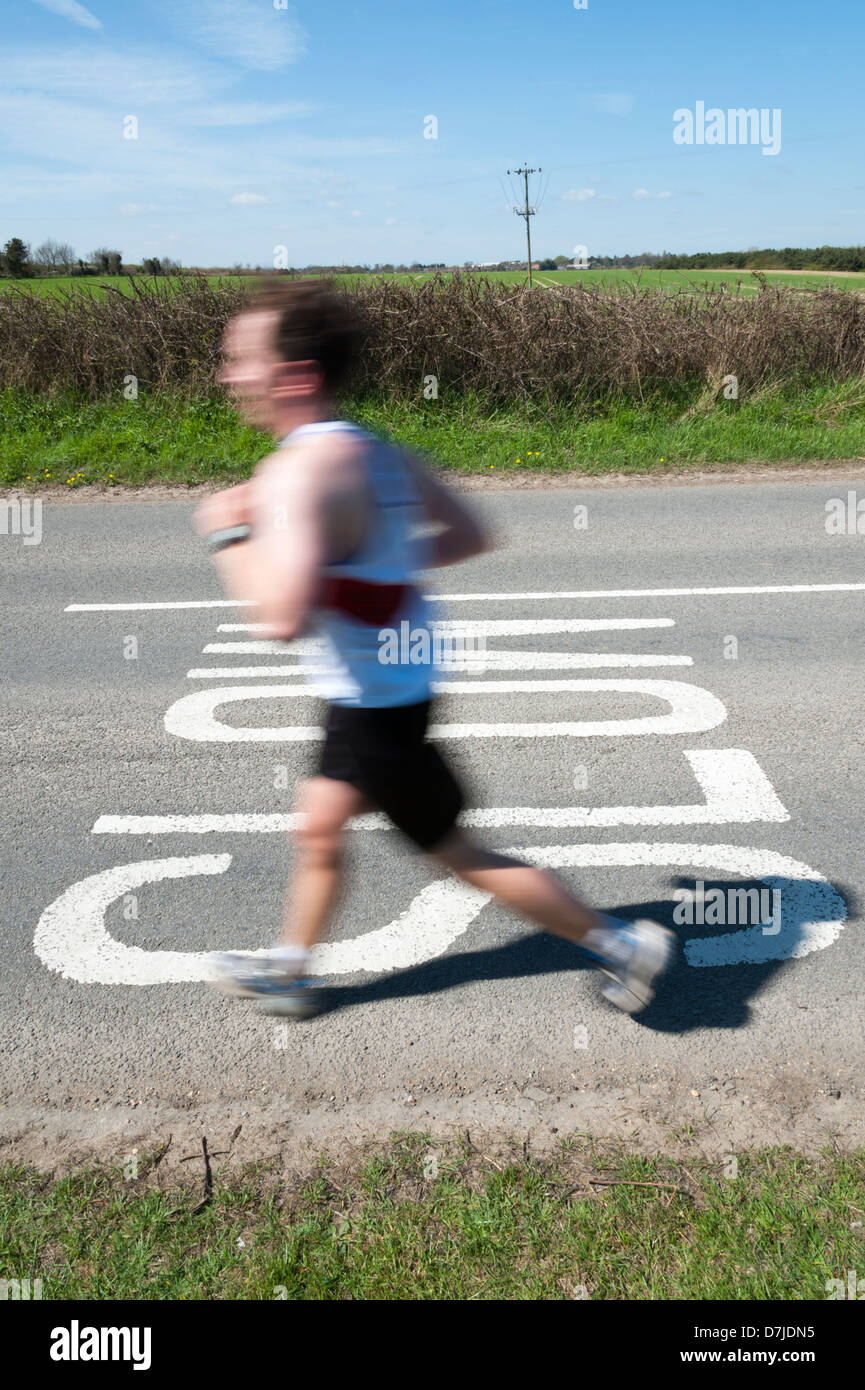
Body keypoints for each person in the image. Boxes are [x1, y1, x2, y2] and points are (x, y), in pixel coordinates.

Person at [195, 280, 672, 1018]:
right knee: (318, 823)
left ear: (296, 376)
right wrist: (371, 576)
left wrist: (228, 531)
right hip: (392, 683)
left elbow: (277, 617)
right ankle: (290, 968)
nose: (228, 376)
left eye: (239, 360)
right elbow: (469, 535)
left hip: (374, 703)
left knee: (459, 855)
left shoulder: (294, 473)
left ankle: (617, 943)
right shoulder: (378, 451)